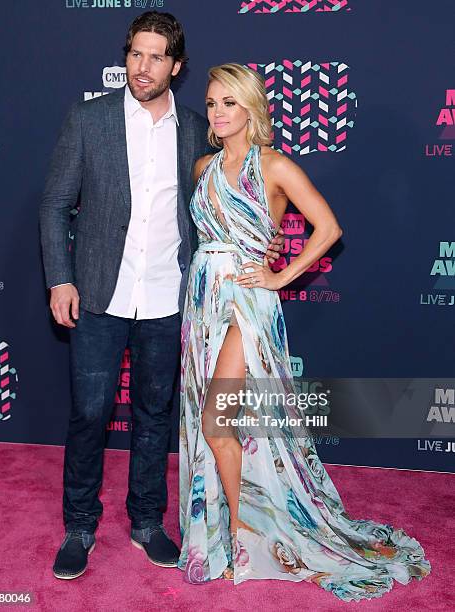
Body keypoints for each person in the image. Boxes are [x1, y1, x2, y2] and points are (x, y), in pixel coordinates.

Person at [39, 13, 283, 580]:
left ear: (176, 66)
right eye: (134, 54)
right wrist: (60, 278)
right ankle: (80, 526)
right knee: (89, 416)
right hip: (100, 294)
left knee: (155, 416)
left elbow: (234, 199)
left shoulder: (201, 129)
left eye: (155, 57)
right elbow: (54, 204)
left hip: (172, 299)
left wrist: (256, 264)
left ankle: (148, 522)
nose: (142, 67)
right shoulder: (87, 119)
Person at [178, 63, 431, 601]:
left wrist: (280, 273)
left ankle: (238, 535)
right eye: (213, 103)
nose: (219, 113)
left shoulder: (273, 166)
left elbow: (329, 227)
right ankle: (232, 527)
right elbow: (206, 236)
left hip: (248, 304)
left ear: (251, 108)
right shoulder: (202, 166)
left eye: (230, 103)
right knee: (219, 425)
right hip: (202, 303)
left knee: (217, 420)